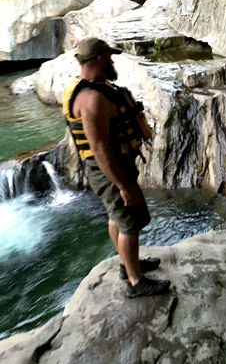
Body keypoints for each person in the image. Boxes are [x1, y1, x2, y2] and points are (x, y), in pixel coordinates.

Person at [62, 37, 170, 298]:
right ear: (98, 59)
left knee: (117, 217)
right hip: (109, 169)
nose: (112, 61)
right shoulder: (92, 99)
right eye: (109, 57)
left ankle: (127, 264)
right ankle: (135, 282)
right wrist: (123, 185)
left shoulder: (89, 88)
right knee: (130, 222)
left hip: (115, 164)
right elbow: (100, 149)